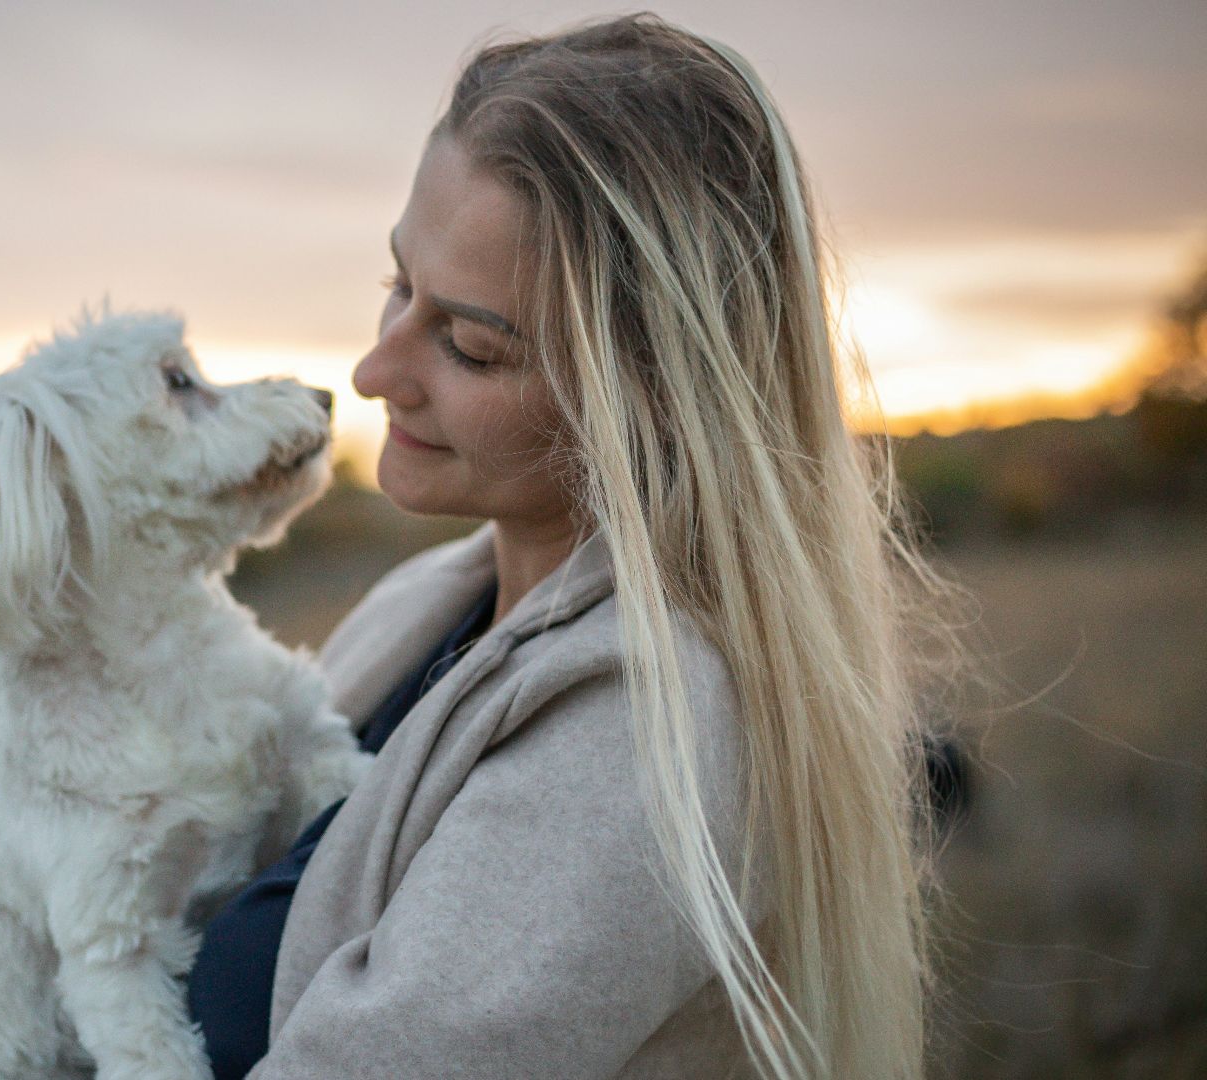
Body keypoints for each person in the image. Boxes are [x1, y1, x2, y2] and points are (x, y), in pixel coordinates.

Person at [184, 13, 965, 1080]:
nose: (375, 371)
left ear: (647, 398)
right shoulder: (432, 599)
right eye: (396, 288)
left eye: (468, 344)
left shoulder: (652, 734)